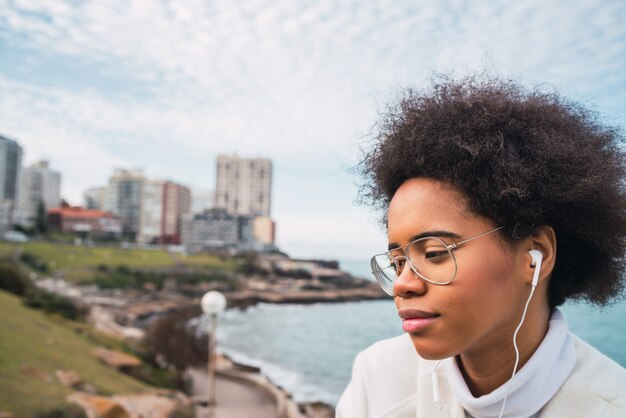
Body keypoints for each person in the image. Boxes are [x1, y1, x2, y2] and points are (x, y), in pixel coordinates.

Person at [336, 77, 626, 418]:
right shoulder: (378, 378)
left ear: (537, 255)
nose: (402, 284)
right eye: (398, 262)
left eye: (433, 253)